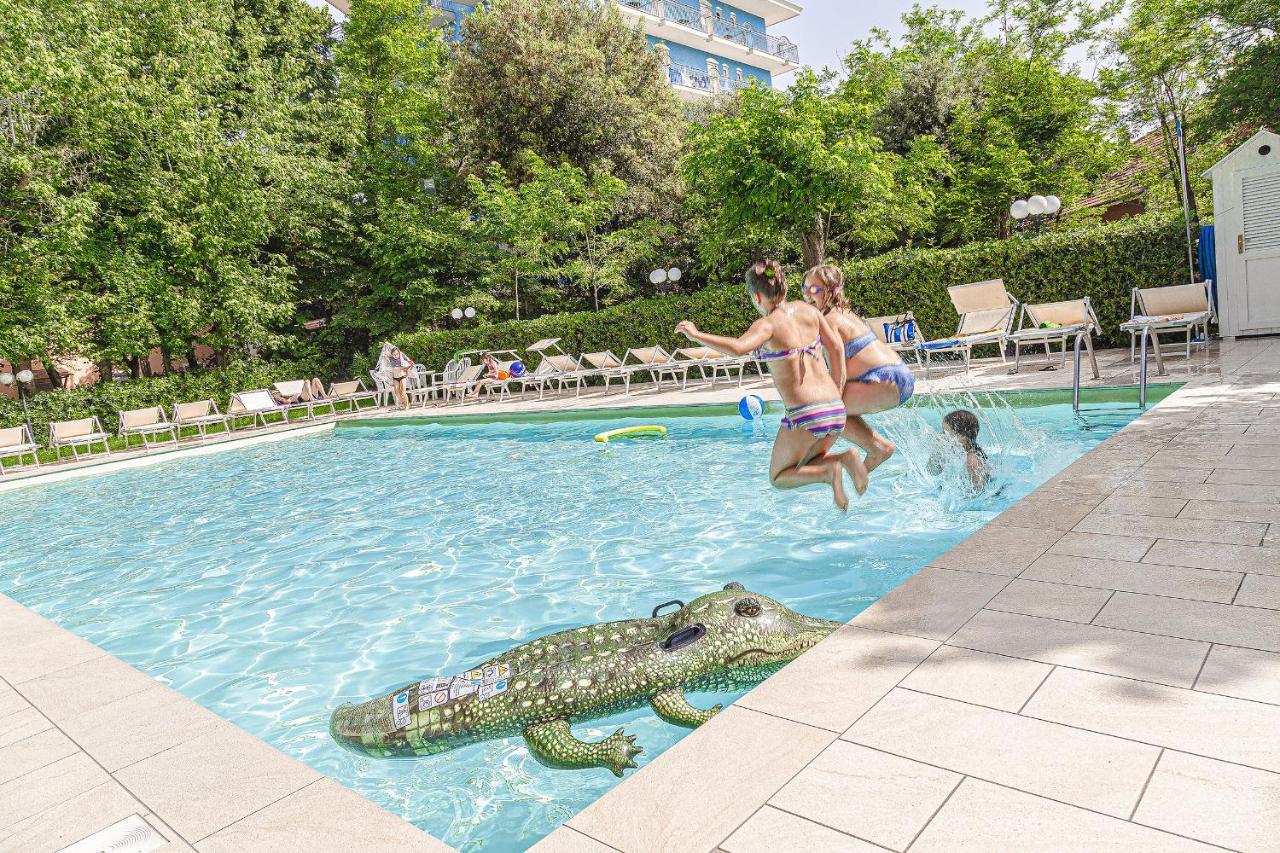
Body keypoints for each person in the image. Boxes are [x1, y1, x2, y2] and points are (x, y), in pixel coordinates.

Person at [676, 260, 868, 511]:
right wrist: (838, 389)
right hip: (835, 408)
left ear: (756, 296)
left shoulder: (767, 325)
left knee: (779, 476)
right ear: (785, 290)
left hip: (805, 414)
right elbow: (836, 347)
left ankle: (831, 472)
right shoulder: (808, 311)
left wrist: (696, 334)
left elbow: (737, 348)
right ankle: (846, 457)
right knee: (810, 458)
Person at [802, 264, 914, 474]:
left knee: (820, 407)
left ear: (832, 291)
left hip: (882, 380)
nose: (808, 295)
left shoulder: (828, 320)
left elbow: (839, 372)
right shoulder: (846, 314)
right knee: (829, 404)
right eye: (805, 289)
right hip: (898, 375)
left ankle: (875, 449)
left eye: (815, 289)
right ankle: (877, 448)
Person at [929, 409, 989, 491]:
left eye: (945, 433)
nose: (941, 436)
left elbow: (980, 492)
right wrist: (937, 451)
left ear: (963, 436)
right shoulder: (953, 454)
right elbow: (932, 472)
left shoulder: (972, 461)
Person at [376, 344, 415, 411]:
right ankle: (404, 403)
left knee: (403, 392)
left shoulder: (402, 359)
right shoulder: (391, 359)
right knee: (397, 393)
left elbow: (409, 365)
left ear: (399, 353)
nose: (395, 356)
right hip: (395, 378)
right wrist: (385, 344)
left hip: (402, 377)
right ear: (392, 354)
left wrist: (409, 367)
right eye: (394, 354)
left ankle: (407, 406)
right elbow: (384, 354)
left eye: (397, 354)